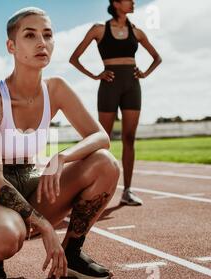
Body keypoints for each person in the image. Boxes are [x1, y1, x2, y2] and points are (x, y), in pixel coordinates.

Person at [0, 7, 120, 279]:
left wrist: (62, 157)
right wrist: (44, 225)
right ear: (12, 46)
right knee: (5, 237)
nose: (42, 42)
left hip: (28, 180)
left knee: (104, 163)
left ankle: (73, 254)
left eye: (48, 35)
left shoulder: (56, 89)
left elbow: (100, 137)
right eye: (30, 35)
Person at [69, 0, 162, 206]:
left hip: (132, 86)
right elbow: (74, 58)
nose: (134, 2)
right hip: (109, 86)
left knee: (129, 139)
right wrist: (95, 75)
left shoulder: (136, 32)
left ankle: (127, 191)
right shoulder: (99, 30)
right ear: (116, 3)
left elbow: (157, 57)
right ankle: (89, 190)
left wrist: (144, 72)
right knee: (103, 140)